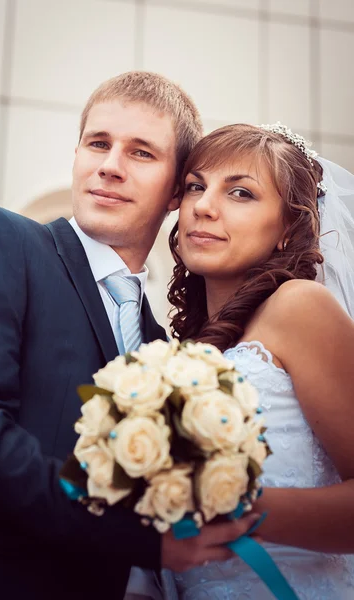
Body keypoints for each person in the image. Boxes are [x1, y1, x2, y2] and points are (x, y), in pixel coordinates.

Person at [0, 73, 260, 600]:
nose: (110, 166)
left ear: (175, 193)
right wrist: (136, 539)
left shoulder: (164, 345)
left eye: (141, 153)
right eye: (98, 143)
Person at [164, 123, 354, 599]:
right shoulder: (179, 351)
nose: (204, 206)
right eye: (195, 186)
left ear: (288, 229)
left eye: (241, 193)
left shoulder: (300, 308)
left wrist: (232, 505)